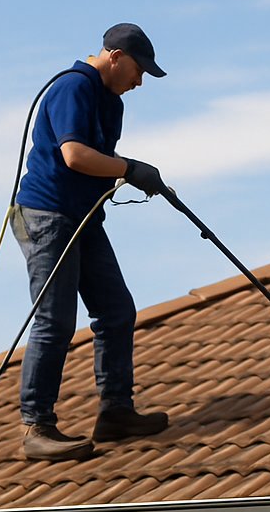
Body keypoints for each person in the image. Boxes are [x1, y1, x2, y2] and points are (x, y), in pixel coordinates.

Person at [11, 23, 170, 461]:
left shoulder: (111, 102)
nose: (140, 81)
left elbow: (99, 164)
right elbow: (74, 155)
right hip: (45, 216)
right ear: (115, 56)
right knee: (55, 321)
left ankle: (115, 411)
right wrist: (129, 168)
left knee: (116, 310)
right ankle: (36, 426)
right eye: (139, 70)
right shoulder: (72, 87)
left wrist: (128, 170)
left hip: (82, 218)